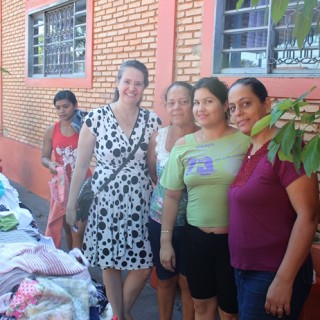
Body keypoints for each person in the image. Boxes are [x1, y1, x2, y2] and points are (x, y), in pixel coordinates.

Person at [66, 60, 162, 320]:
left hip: (140, 200)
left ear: (145, 87)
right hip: (105, 199)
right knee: (110, 262)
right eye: (127, 81)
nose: (132, 87)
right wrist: (71, 205)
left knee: (143, 264)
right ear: (118, 83)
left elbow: (154, 167)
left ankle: (119, 312)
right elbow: (81, 165)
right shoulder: (95, 118)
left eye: (138, 83)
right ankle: (119, 315)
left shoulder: (153, 121)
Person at [228, 77, 320, 320]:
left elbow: (308, 215)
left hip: (272, 274)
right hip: (244, 270)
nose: (238, 113)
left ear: (266, 104)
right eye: (233, 107)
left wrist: (283, 280)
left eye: (245, 104)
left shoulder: (286, 147)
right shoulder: (253, 149)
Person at [160, 77, 251, 320]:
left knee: (230, 312)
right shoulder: (183, 145)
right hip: (196, 239)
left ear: (224, 106)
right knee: (201, 306)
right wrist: (166, 242)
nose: (200, 108)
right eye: (197, 102)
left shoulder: (246, 142)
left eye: (208, 101)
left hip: (234, 241)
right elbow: (171, 196)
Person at [147, 81, 197, 320]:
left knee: (189, 283)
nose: (177, 107)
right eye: (171, 102)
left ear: (193, 103)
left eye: (183, 101)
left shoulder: (204, 136)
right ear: (165, 106)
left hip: (193, 224)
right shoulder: (158, 137)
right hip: (159, 220)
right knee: (165, 280)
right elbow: (154, 175)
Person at [41, 90, 90, 249]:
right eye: (58, 107)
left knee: (77, 230)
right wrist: (50, 164)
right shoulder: (51, 130)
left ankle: (79, 267)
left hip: (82, 185)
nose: (61, 111)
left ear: (75, 106)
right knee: (67, 228)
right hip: (61, 185)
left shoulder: (84, 128)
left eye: (66, 106)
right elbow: (44, 157)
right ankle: (72, 262)